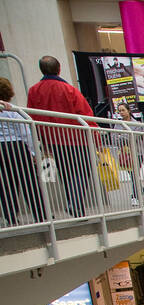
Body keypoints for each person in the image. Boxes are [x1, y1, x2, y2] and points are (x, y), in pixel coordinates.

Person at [26, 57, 98, 218]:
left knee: (66, 173)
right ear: (59, 69)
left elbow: (32, 116)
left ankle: (75, 205)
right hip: (76, 138)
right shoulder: (69, 89)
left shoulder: (34, 90)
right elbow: (85, 114)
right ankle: (76, 204)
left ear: (42, 70)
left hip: (51, 139)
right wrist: (95, 137)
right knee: (82, 172)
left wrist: (41, 140)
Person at [0, 77, 48, 224]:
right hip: (16, 146)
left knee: (7, 184)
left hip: (1, 148)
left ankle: (11, 217)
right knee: (29, 181)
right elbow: (25, 133)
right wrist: (34, 152)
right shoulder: (13, 111)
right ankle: (41, 215)